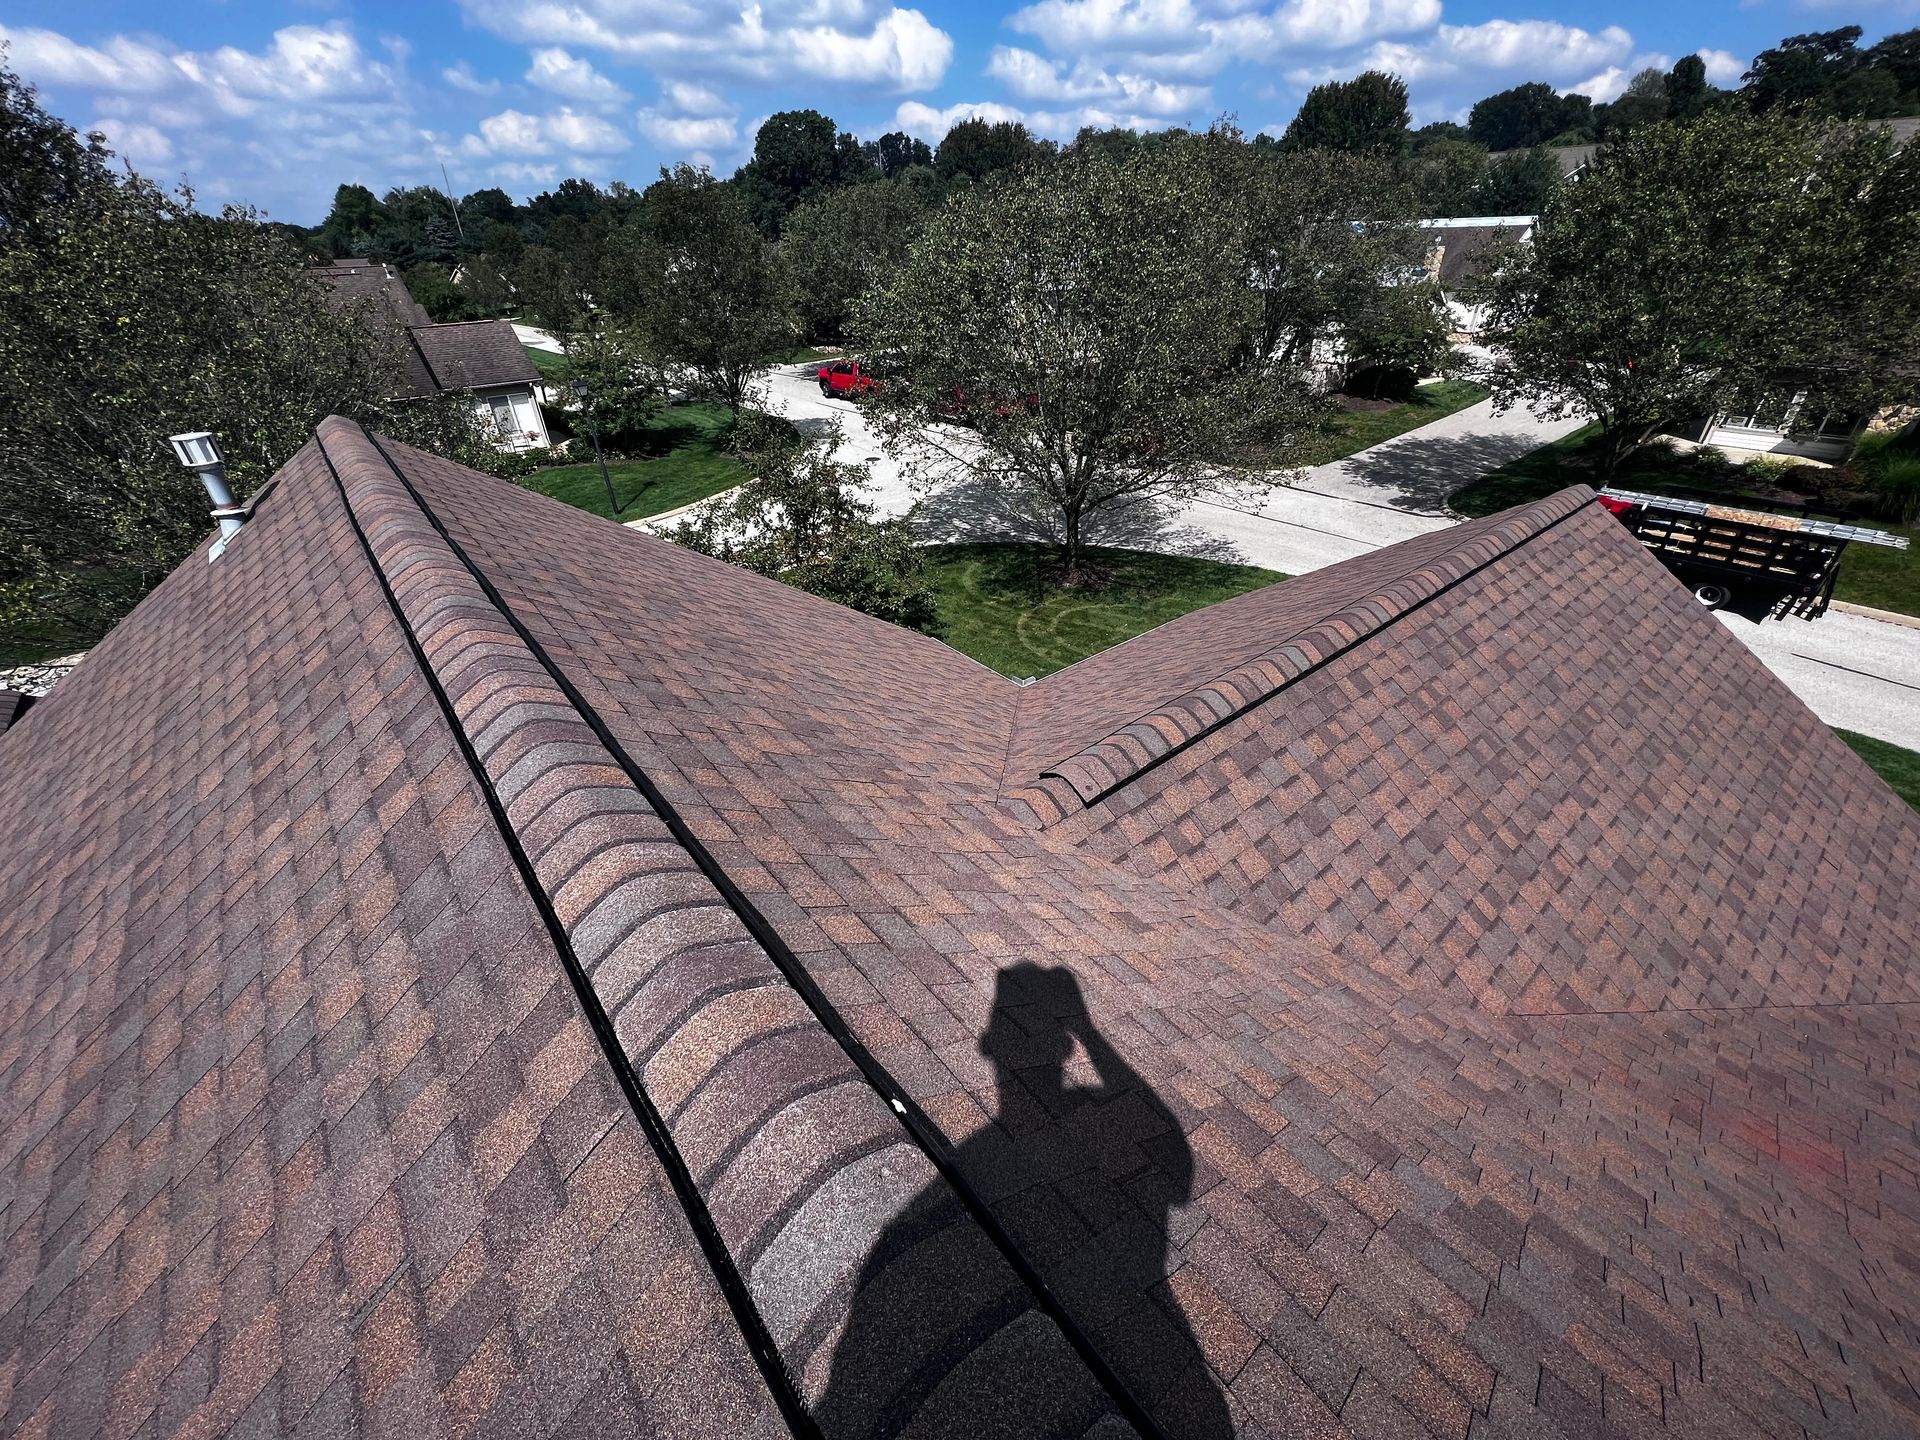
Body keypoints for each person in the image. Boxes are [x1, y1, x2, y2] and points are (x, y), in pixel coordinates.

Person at [811, 962, 1231, 1438]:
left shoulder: (982, 1151)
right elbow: (1169, 1158)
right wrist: (1090, 1035)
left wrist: (1086, 1034)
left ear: (990, 1046)